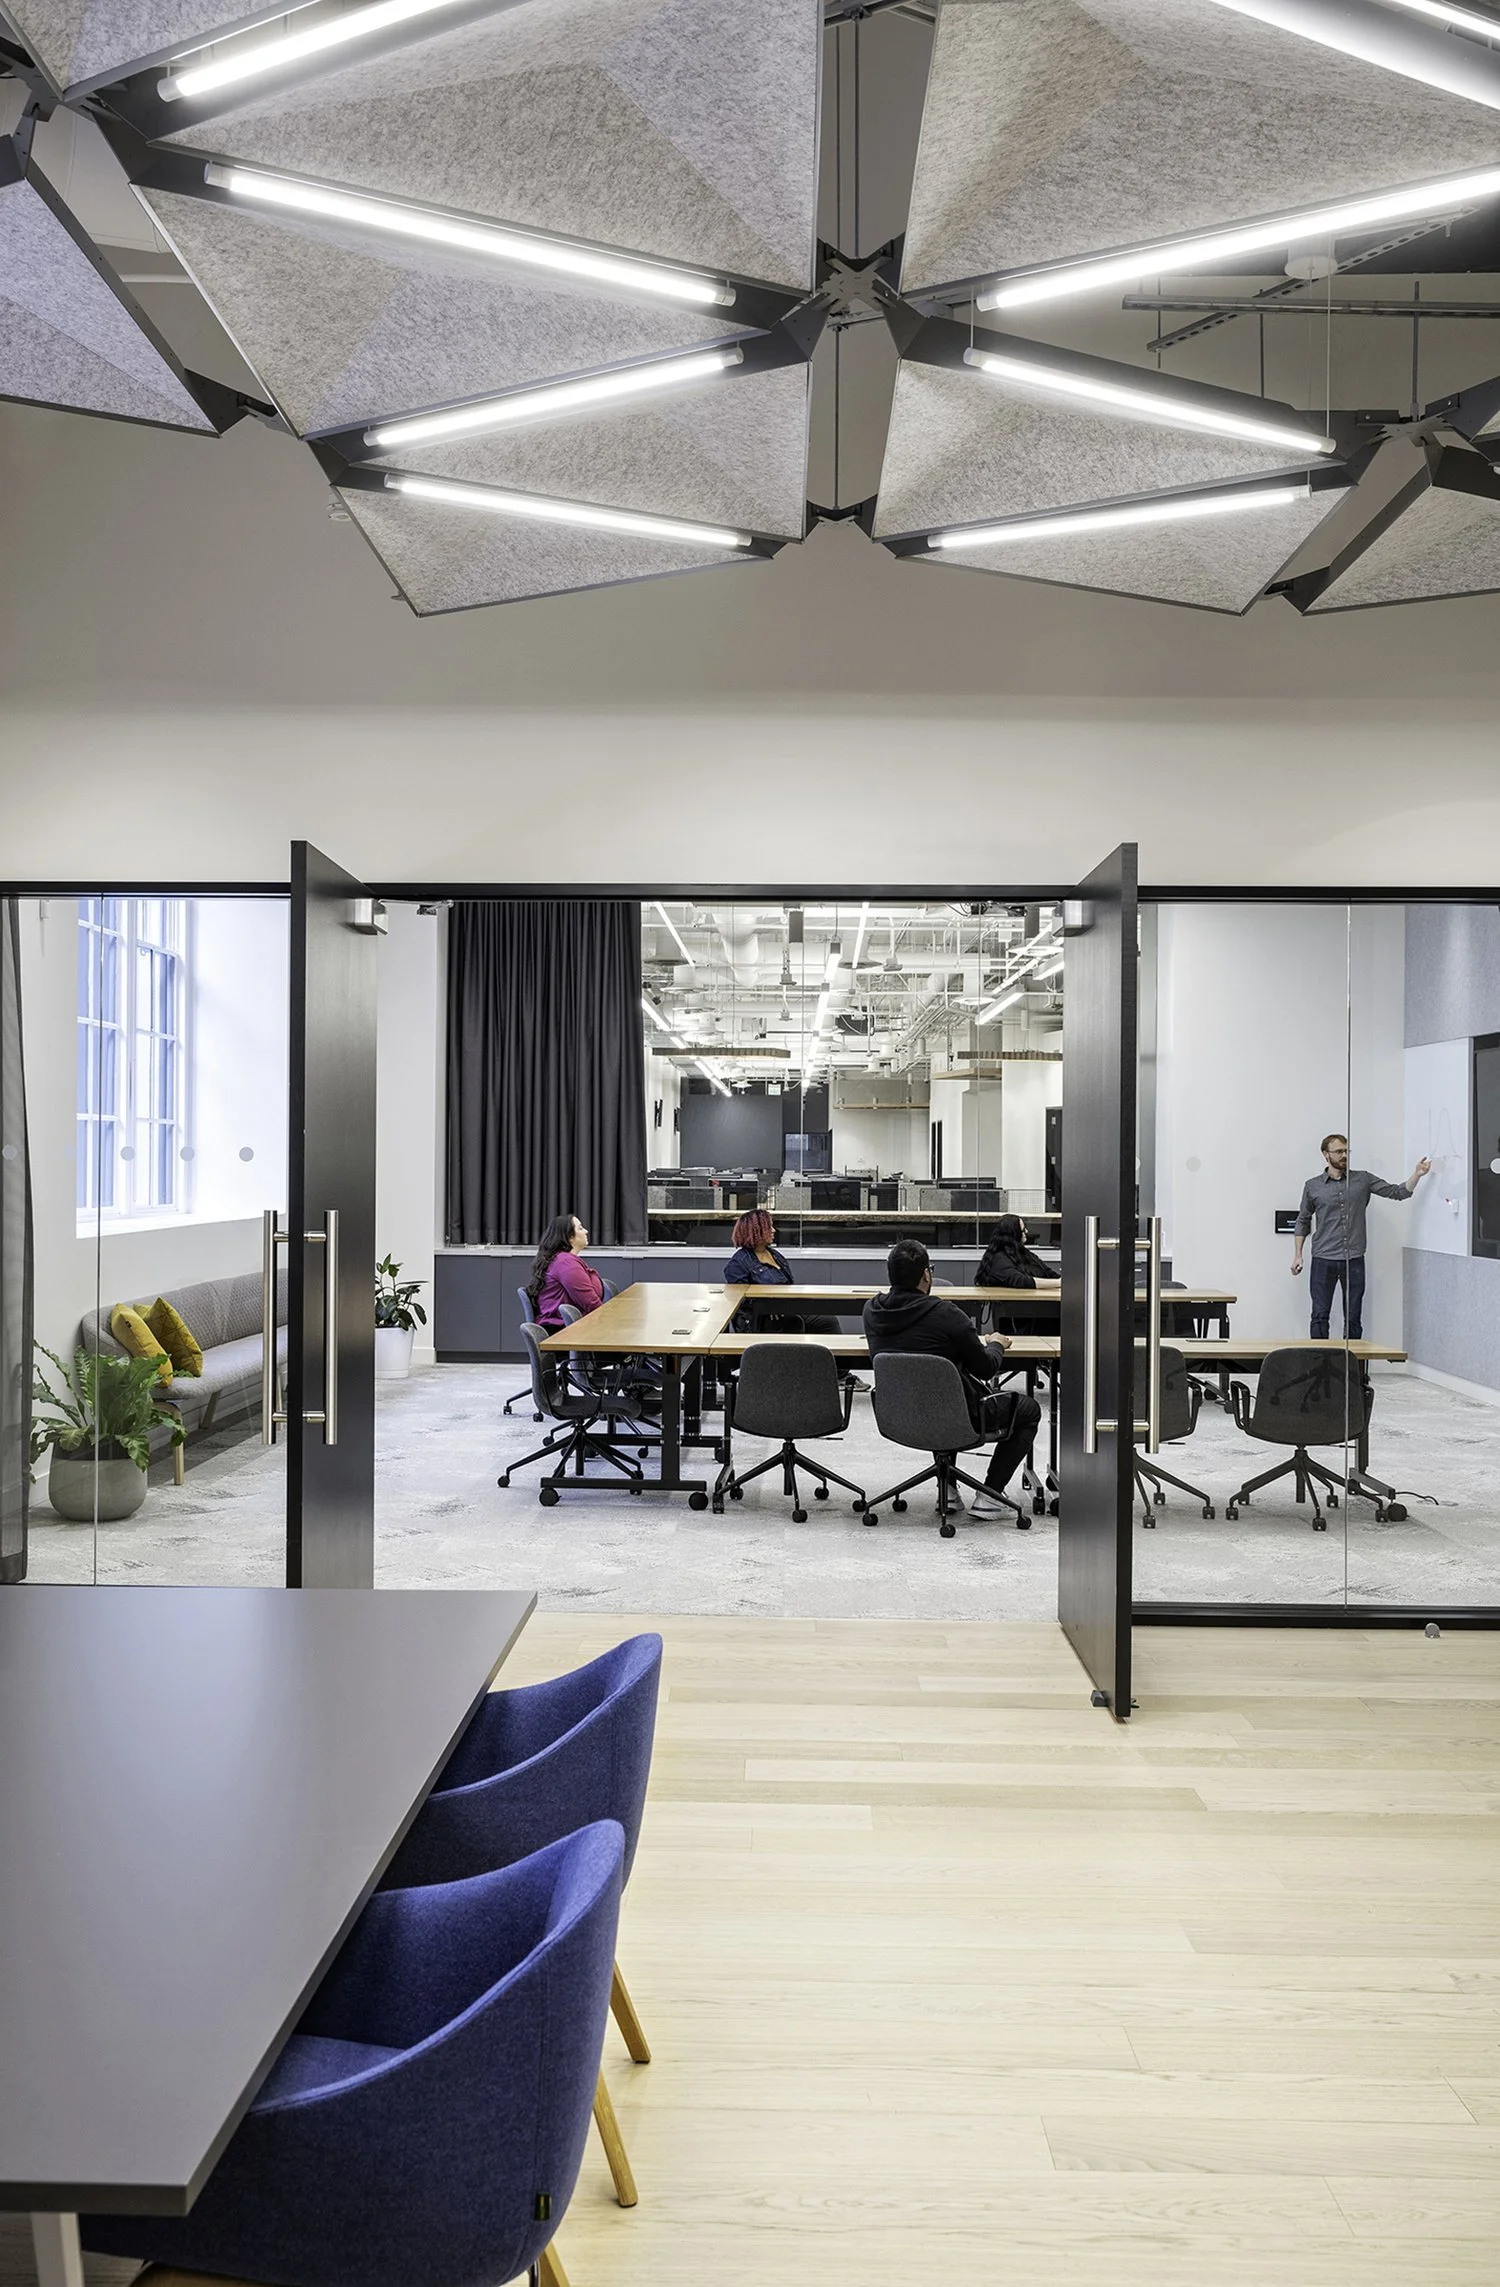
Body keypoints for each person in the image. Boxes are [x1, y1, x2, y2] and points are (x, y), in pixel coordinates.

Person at [863, 1237, 1042, 1518]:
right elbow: (985, 1368)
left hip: (898, 1413)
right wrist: (996, 1343)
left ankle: (946, 1489)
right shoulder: (946, 1314)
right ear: (926, 1274)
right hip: (956, 1414)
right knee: (1027, 1410)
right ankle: (990, 1495)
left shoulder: (872, 1311)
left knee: (937, 1391)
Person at [1292, 1133, 1431, 1339]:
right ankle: (1321, 1368)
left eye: (1346, 1151)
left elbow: (1397, 1192)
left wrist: (1417, 1175)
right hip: (1323, 1259)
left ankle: (1354, 1369)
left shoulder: (1362, 1179)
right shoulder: (1313, 1186)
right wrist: (1298, 1255)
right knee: (1320, 1316)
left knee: (1354, 1317)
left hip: (1353, 1259)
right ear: (1325, 1154)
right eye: (1338, 1151)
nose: (1344, 1155)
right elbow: (1303, 1220)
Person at [722, 1209, 840, 1335]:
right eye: (769, 1227)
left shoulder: (775, 1255)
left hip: (786, 1308)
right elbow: (740, 1301)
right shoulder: (738, 1263)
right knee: (796, 1323)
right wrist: (771, 1305)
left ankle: (836, 1354)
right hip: (764, 1317)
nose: (774, 1230)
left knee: (828, 1321)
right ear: (755, 1231)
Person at [977, 1212, 1061, 1339]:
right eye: (1022, 1229)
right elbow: (1020, 1281)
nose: (1026, 1231)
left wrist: (1062, 1279)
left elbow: (1048, 1273)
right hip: (1018, 1316)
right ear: (1013, 1234)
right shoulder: (999, 1258)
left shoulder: (1025, 1254)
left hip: (1035, 1310)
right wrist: (1059, 1283)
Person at [526, 1212, 604, 1330]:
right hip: (563, 1331)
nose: (586, 1231)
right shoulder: (566, 1263)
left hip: (567, 1327)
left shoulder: (562, 1259)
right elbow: (591, 1303)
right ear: (570, 1237)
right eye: (580, 1228)